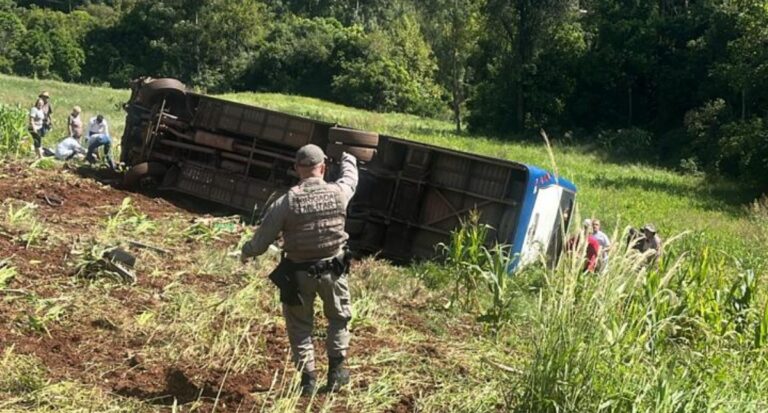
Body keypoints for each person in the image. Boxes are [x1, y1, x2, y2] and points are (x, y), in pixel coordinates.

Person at [241, 144, 358, 396]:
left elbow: (260, 243)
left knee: (300, 326)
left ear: (297, 169)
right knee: (338, 318)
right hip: (334, 268)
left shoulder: (286, 202)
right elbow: (351, 178)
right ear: (323, 168)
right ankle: (336, 373)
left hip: (298, 273)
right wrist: (349, 157)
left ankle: (308, 380)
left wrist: (246, 251)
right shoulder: (340, 192)